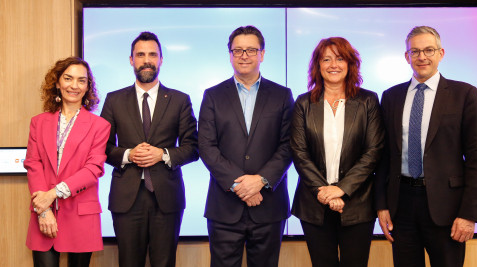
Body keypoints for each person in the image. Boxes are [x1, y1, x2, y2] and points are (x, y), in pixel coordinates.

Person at [375, 26, 477, 267]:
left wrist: (468, 214)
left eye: (428, 50)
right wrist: (381, 205)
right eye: (415, 51)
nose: (421, 57)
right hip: (401, 205)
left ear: (441, 53)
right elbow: (384, 157)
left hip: (447, 208)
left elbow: (476, 159)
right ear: (407, 57)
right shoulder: (391, 96)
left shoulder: (464, 94)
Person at [198, 25, 294, 267]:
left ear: (262, 54)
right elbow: (207, 147)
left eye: (251, 50)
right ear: (230, 55)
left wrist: (259, 181)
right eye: (237, 50)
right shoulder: (213, 95)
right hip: (224, 206)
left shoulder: (282, 95)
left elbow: (288, 145)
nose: (244, 55)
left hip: (269, 205)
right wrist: (241, 185)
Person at [100, 31, 198, 267]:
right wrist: (128, 155)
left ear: (161, 60)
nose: (147, 60)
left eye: (153, 54)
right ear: (131, 59)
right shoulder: (114, 100)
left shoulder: (179, 100)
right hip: (126, 198)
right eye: (140, 54)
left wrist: (163, 155)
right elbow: (102, 146)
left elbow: (193, 147)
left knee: (164, 263)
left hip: (167, 198)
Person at [290, 37, 384, 267]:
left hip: (358, 203)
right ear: (318, 65)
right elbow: (299, 152)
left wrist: (341, 190)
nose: (333, 65)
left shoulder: (367, 100)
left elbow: (373, 151)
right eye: (327, 59)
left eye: (340, 58)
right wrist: (325, 192)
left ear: (350, 63)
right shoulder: (303, 103)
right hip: (314, 202)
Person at [24, 56, 110, 267]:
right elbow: (33, 164)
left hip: (82, 215)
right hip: (43, 214)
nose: (74, 85)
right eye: (68, 78)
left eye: (82, 80)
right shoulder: (38, 122)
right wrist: (44, 210)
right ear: (57, 82)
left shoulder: (100, 126)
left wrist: (51, 194)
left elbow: (93, 169)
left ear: (88, 86)